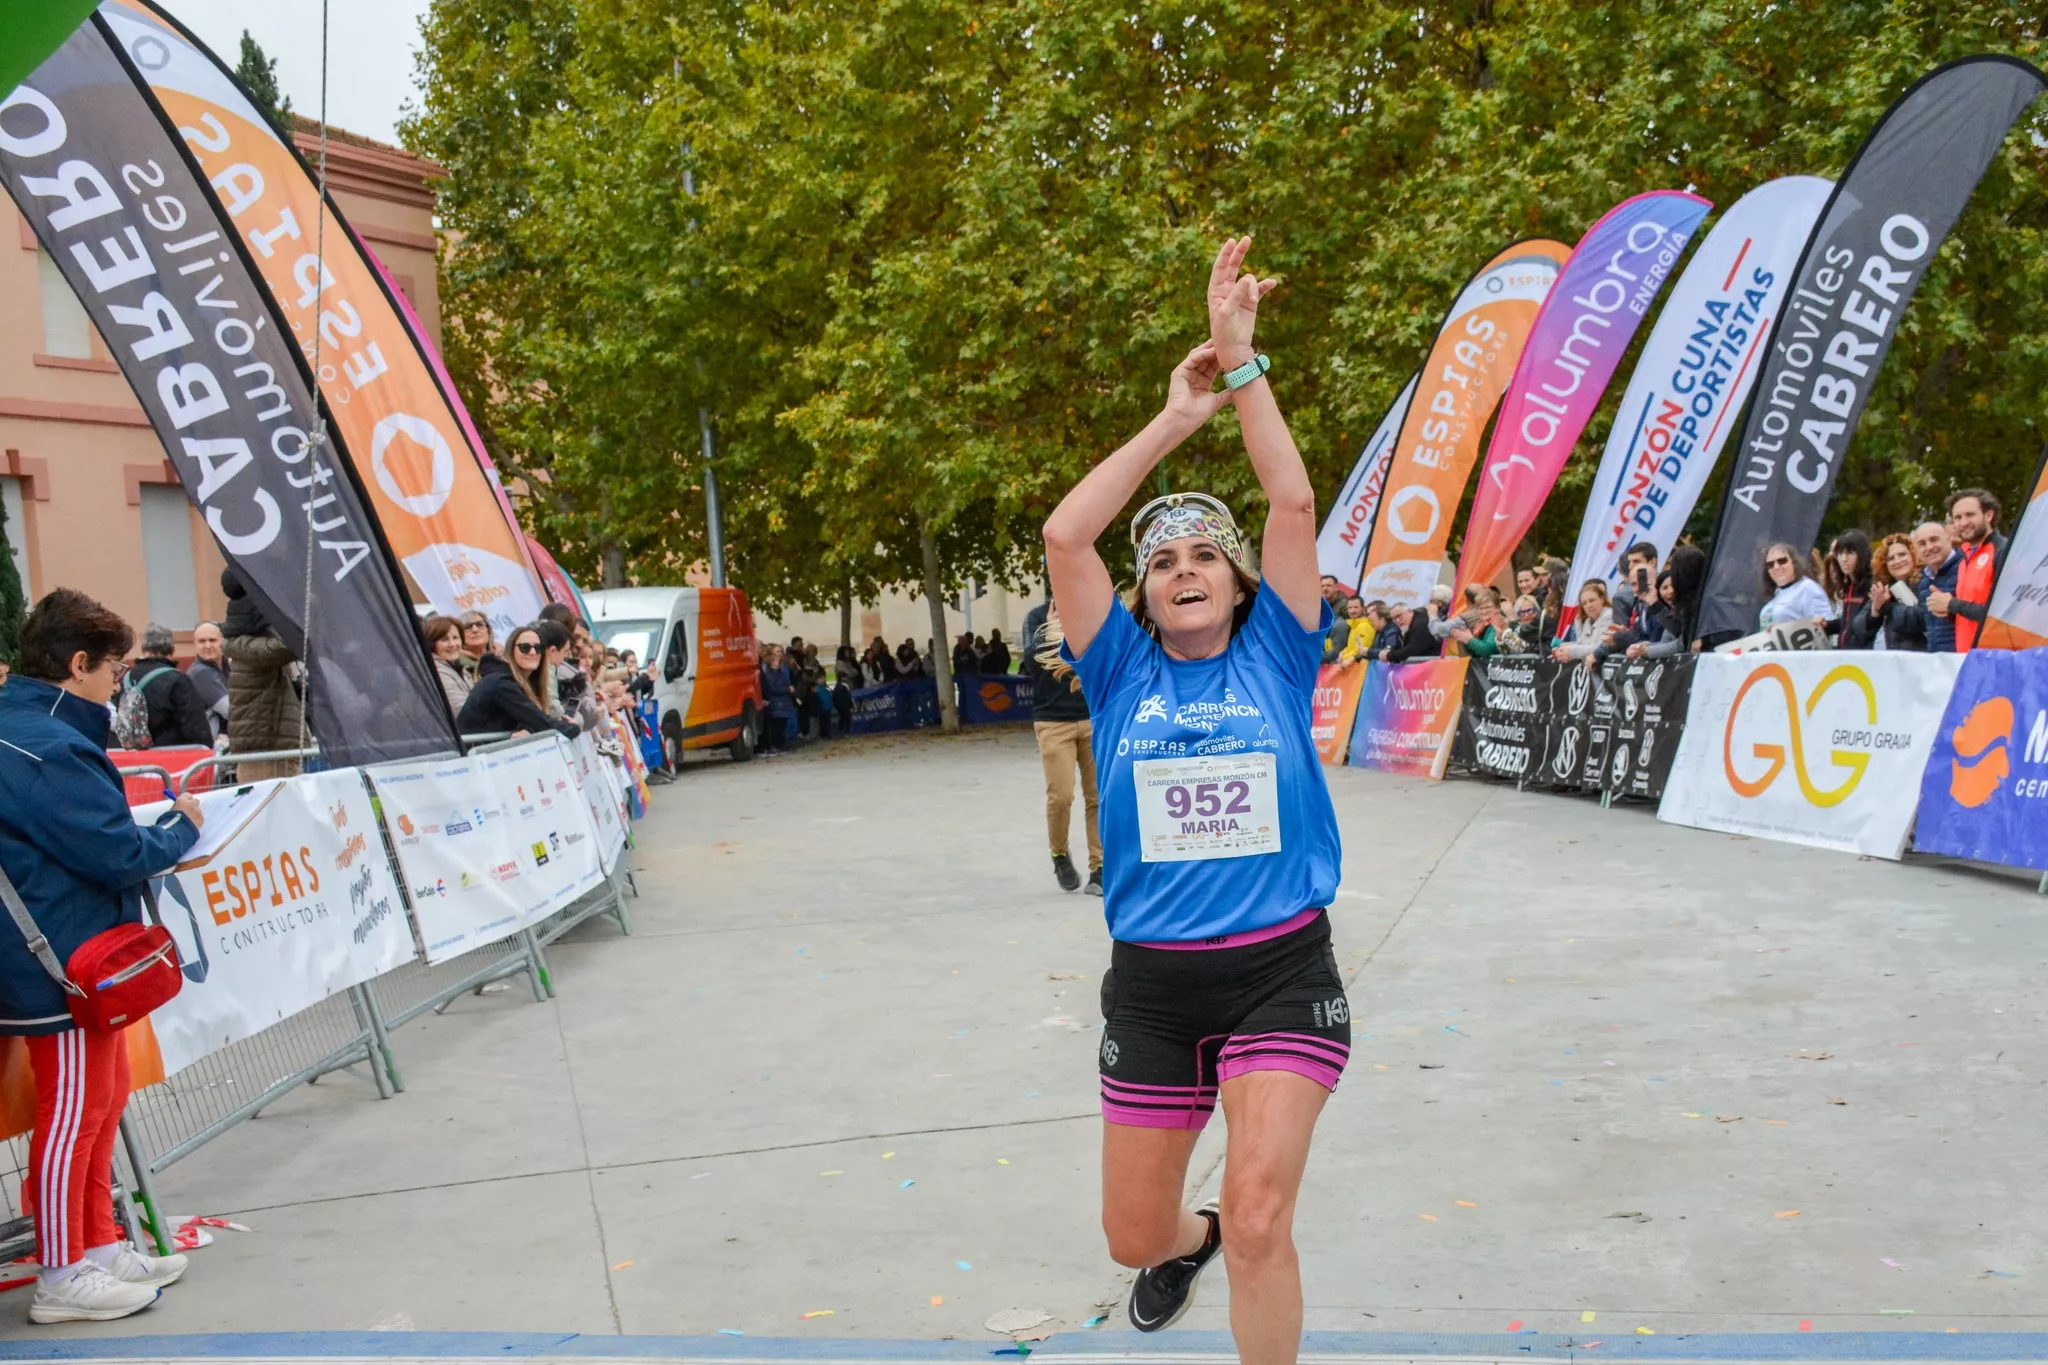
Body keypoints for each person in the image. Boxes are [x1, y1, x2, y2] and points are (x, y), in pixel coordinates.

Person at [1043, 237, 1348, 1363]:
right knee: (1134, 1235)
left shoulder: (1277, 654)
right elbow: (1065, 534)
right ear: (1143, 591)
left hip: (1279, 970)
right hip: (1154, 985)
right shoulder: (1118, 672)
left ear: (1235, 580)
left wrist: (1241, 364)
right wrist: (1177, 417)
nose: (1183, 568)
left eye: (1204, 555)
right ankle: (1194, 1236)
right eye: (1163, 558)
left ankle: (1237, 1239)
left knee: (1266, 1217)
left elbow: (1292, 500)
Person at [0, 589, 199, 1323]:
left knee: (99, 1101)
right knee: (75, 1114)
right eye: (115, 668)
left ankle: (95, 1246)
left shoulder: (30, 731)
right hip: (59, 958)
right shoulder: (44, 744)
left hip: (63, 949)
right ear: (79, 663)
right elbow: (112, 851)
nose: (121, 682)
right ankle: (63, 1271)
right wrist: (181, 828)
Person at [1024, 601, 1102, 895]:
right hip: (1052, 720)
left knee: (1097, 795)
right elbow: (1030, 664)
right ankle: (1059, 853)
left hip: (1093, 716)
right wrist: (1051, 631)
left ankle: (1099, 867)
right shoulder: (1036, 617)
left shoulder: (1090, 609)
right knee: (1061, 796)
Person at [220, 568, 303, 779]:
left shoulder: (246, 645)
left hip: (273, 751)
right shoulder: (247, 648)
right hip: (266, 755)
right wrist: (303, 611)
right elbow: (291, 645)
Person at [456, 623, 578, 740]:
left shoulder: (522, 682)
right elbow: (541, 723)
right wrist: (573, 727)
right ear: (511, 651)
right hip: (475, 753)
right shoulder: (501, 683)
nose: (532, 652)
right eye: (525, 648)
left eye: (538, 648)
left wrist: (529, 729)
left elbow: (531, 720)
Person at [120, 624, 212, 749]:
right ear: (172, 648)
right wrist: (207, 750)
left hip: (130, 755)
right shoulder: (178, 680)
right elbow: (195, 727)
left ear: (143, 646)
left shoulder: (125, 679)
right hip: (170, 753)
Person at [1935, 489, 2004, 651]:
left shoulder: (2002, 551)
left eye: (1970, 515)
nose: (1963, 522)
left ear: (1989, 515)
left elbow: (2001, 615)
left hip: (1995, 655)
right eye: (1958, 517)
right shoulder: (1964, 556)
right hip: (1967, 654)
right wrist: (1947, 610)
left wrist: (1952, 604)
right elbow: (1971, 611)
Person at [1854, 533, 1930, 652]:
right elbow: (1859, 629)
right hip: (1893, 657)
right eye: (1890, 559)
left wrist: (1887, 607)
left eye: (1902, 554)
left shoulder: (1926, 581)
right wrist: (1875, 611)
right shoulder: (1885, 588)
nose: (1897, 561)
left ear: (1914, 556)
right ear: (1885, 565)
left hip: (1921, 657)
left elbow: (1923, 619)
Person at [1910, 521, 1961, 653]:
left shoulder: (1965, 567)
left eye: (1934, 540)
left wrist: (1951, 606)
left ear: (1948, 540)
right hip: (1938, 658)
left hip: (1964, 656)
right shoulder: (1923, 580)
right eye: (1922, 544)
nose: (1929, 547)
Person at [1757, 541, 1831, 631]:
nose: (1776, 567)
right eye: (1770, 564)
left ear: (1794, 562)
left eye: (1782, 561)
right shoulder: (1777, 594)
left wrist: (1786, 629)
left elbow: (1825, 624)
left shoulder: (1807, 587)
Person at [1822, 531, 1874, 649]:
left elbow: (1866, 625)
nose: (1844, 559)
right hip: (1846, 654)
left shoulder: (1871, 585)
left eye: (1850, 553)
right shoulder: (1849, 585)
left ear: (1862, 554)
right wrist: (1827, 625)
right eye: (1840, 553)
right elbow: (1848, 622)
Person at [186, 621, 229, 743]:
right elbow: (230, 710)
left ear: (223, 641)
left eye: (212, 640)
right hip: (213, 744)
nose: (207, 646)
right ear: (195, 644)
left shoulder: (227, 667)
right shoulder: (201, 673)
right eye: (202, 641)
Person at [1552, 581, 1614, 663]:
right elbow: (1582, 644)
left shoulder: (1610, 616)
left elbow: (1600, 647)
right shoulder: (1587, 621)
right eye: (1584, 603)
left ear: (1602, 599)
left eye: (1592, 600)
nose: (1588, 605)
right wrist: (1562, 649)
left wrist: (1570, 651)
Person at [423, 615, 472, 715]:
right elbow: (462, 712)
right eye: (444, 639)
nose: (452, 644)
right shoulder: (437, 672)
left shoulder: (459, 668)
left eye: (455, 637)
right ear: (432, 643)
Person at [758, 642, 796, 754]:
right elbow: (771, 686)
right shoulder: (767, 668)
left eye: (781, 652)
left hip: (784, 702)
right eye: (778, 651)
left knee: (781, 725)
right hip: (775, 702)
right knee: (775, 726)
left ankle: (778, 745)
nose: (780, 654)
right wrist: (786, 689)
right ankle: (773, 745)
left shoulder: (783, 667)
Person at [1374, 601, 1439, 662]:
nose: (1397, 620)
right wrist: (1388, 652)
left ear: (1409, 611)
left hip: (1431, 664)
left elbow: (1413, 650)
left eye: (1399, 616)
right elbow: (1398, 647)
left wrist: (1389, 656)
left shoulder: (1420, 625)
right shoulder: (1402, 628)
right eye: (1394, 619)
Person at [832, 644, 861, 735]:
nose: (848, 654)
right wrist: (851, 673)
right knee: (844, 711)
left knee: (848, 710)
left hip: (849, 687)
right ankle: (843, 730)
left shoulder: (848, 663)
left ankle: (847, 729)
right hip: (842, 689)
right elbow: (848, 673)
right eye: (847, 652)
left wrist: (851, 672)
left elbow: (855, 672)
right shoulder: (839, 663)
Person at [457, 612, 494, 677]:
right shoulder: (458, 665)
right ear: (460, 636)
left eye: (479, 625)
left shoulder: (503, 657)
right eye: (467, 627)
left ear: (488, 630)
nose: (475, 630)